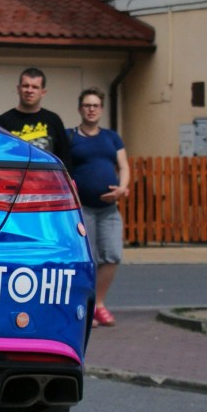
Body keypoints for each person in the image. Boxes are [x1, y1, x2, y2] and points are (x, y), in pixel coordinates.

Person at [69, 88, 129, 327]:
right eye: (87, 105)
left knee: (112, 255)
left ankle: (99, 304)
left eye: (95, 105)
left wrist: (122, 188)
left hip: (109, 210)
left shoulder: (112, 138)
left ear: (101, 109)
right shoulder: (71, 137)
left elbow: (123, 166)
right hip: (82, 209)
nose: (91, 109)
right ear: (80, 109)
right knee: (87, 259)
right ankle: (85, 306)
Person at [0, 67, 72, 169]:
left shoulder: (53, 120)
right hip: (14, 182)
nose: (29, 90)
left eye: (35, 87)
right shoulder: (3, 121)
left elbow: (65, 158)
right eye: (26, 86)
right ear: (18, 89)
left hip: (46, 183)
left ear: (43, 92)